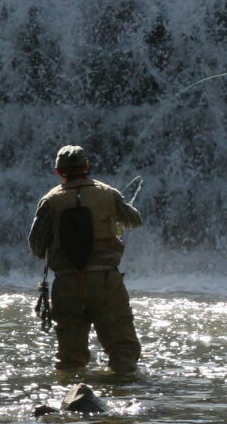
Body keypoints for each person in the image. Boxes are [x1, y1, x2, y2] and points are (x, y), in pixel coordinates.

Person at [28, 144, 143, 376]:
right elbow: (134, 220)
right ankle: (125, 398)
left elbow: (37, 247)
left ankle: (71, 402)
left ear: (58, 171)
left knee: (69, 357)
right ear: (87, 166)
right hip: (106, 282)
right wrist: (114, 224)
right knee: (122, 350)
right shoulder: (109, 194)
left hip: (67, 284)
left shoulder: (50, 201)